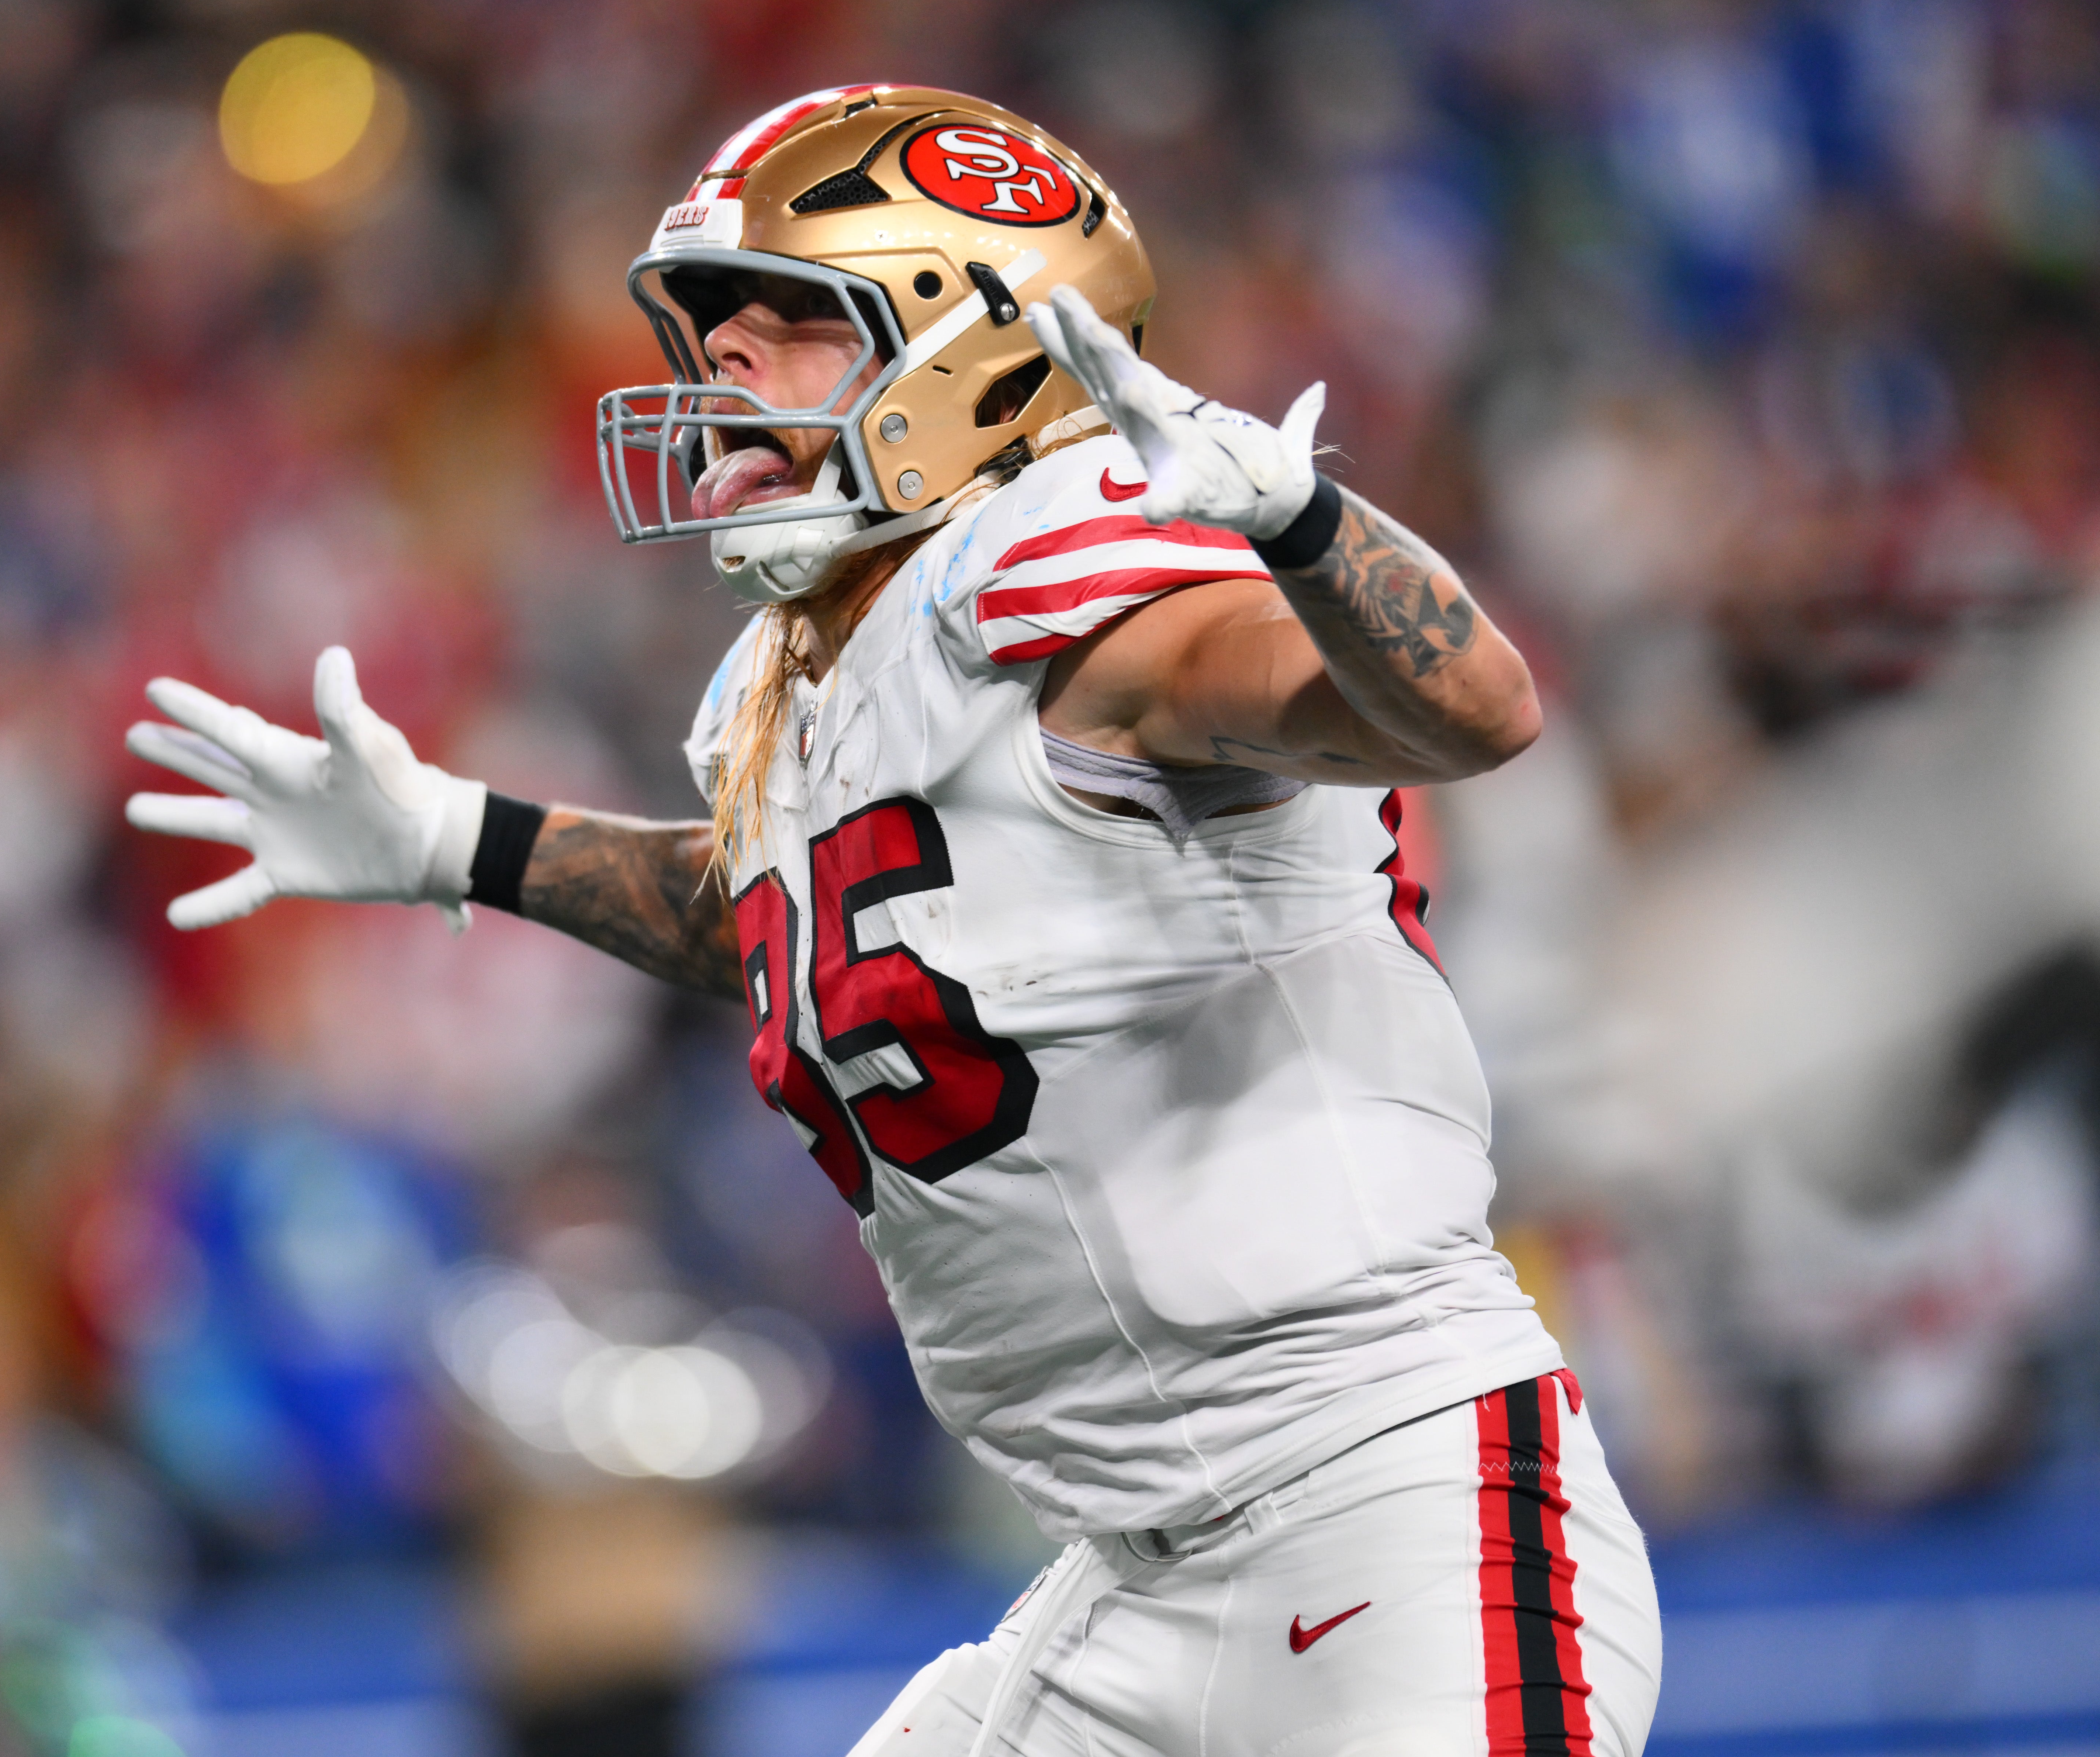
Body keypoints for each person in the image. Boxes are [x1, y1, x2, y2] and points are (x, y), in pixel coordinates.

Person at [123, 86, 1660, 1757]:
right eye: (711, 328)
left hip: (1392, 1511)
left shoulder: (1062, 564)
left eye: (790, 321)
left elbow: (1472, 709)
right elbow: (815, 925)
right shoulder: (810, 674)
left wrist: (1301, 525)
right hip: (1134, 1574)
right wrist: (462, 842)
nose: (722, 368)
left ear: (976, 351)